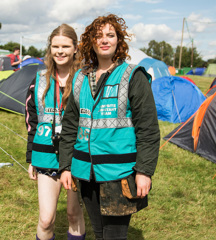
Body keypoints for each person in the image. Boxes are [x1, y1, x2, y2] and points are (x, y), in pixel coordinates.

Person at [59, 14, 160, 240]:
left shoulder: (133, 76)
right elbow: (69, 128)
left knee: (114, 235)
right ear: (91, 42)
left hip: (119, 174)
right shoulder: (79, 79)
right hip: (85, 172)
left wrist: (144, 171)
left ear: (118, 41)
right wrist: (65, 165)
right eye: (98, 36)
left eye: (110, 35)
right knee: (98, 232)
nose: (104, 40)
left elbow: (149, 130)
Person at [25, 24, 85, 240]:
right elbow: (32, 121)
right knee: (46, 219)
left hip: (77, 155)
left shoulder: (84, 79)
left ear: (75, 48)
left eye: (66, 46)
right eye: (55, 46)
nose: (60, 51)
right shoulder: (40, 80)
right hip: (46, 154)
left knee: (72, 213)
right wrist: (31, 156)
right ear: (50, 48)